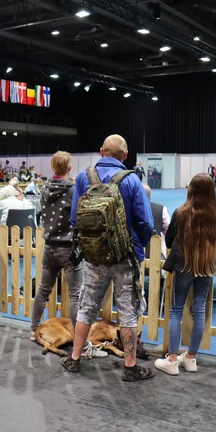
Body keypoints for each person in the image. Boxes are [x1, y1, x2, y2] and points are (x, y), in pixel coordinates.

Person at [61, 134, 155, 382]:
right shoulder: (132, 180)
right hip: (125, 258)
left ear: (102, 151)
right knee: (128, 312)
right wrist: (137, 245)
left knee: (86, 308)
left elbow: (74, 218)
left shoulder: (84, 177)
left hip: (94, 258)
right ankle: (130, 366)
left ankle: (75, 358)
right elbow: (145, 222)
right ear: (125, 155)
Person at [29, 152, 108, 357]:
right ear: (69, 168)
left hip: (49, 245)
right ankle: (80, 340)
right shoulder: (73, 189)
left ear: (52, 166)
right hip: (68, 248)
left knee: (43, 290)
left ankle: (33, 329)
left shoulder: (44, 188)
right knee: (75, 294)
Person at [154, 173, 216, 375]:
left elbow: (169, 240)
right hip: (205, 266)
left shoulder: (181, 212)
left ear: (190, 189)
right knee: (199, 310)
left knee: (176, 310)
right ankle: (191, 357)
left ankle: (172, 360)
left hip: (183, 266)